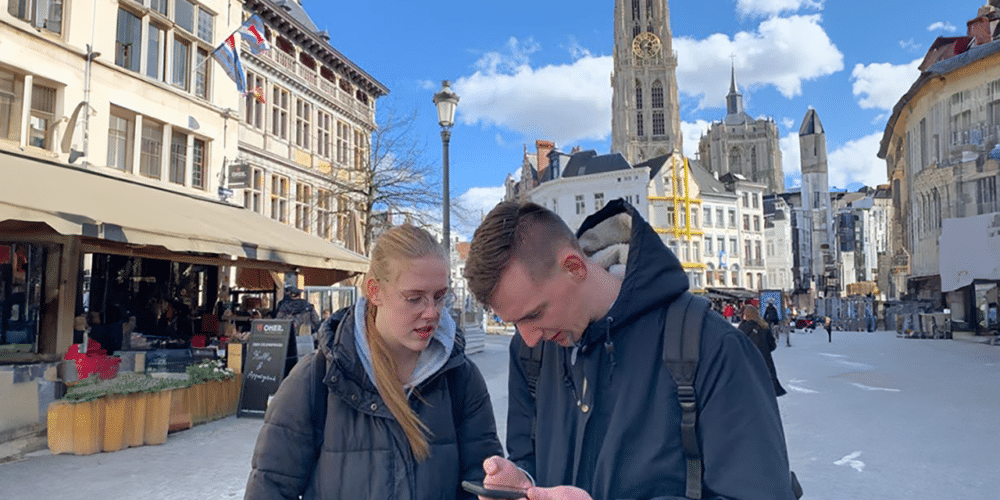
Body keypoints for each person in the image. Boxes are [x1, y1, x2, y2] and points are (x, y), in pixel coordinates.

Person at [463, 200, 796, 500]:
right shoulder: (530, 353)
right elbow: (529, 459)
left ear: (574, 267)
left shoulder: (711, 345)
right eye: (514, 322)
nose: (528, 337)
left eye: (534, 314)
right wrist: (523, 484)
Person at [245, 224, 503, 500]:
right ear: (374, 291)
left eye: (440, 297)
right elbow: (269, 488)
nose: (432, 312)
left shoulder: (461, 377)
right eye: (415, 298)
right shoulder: (316, 378)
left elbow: (483, 484)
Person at [738, 306, 787, 397]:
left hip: (747, 362)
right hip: (764, 362)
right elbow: (772, 346)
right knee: (767, 390)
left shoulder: (741, 328)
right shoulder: (763, 327)